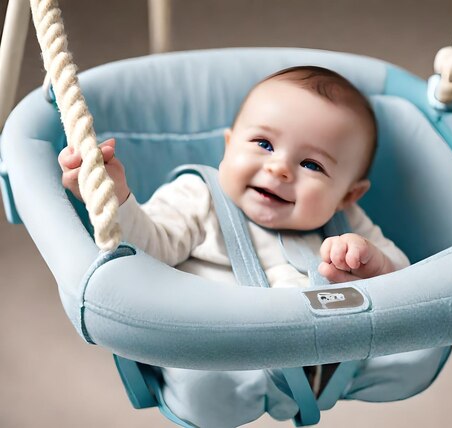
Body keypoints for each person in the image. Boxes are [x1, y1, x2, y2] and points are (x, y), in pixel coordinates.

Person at [58, 66, 413, 427]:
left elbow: (403, 275)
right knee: (203, 377)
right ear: (228, 146)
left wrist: (373, 264)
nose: (279, 169)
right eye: (264, 144)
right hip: (222, 353)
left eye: (311, 164)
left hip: (327, 363)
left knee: (418, 340)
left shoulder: (346, 222)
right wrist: (113, 195)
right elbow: (149, 247)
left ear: (347, 195)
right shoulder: (199, 197)